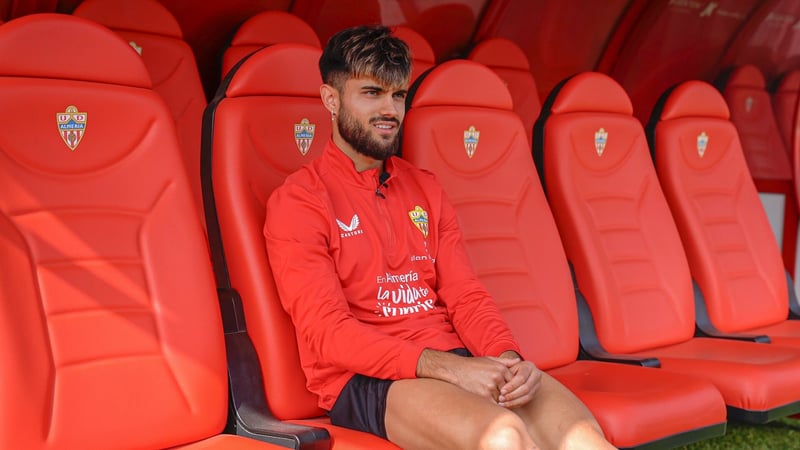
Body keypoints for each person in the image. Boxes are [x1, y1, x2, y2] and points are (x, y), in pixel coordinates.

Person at [264, 25, 616, 450]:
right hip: (366, 380)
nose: (390, 110)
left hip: (454, 360)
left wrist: (507, 357)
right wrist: (450, 369)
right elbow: (328, 334)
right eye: (372, 93)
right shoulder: (299, 201)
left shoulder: (425, 187)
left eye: (398, 95)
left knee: (584, 440)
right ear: (331, 99)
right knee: (502, 438)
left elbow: (465, 294)